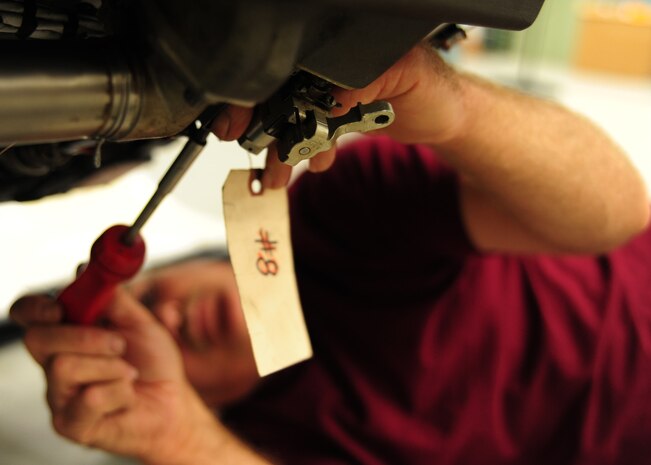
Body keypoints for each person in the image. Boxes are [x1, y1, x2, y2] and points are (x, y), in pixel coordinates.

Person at [9, 44, 651, 464]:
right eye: (149, 345)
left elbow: (618, 213)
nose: (170, 323)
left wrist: (453, 105)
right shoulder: (274, 441)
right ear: (204, 402)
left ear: (197, 260)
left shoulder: (344, 216)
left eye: (148, 299)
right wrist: (177, 436)